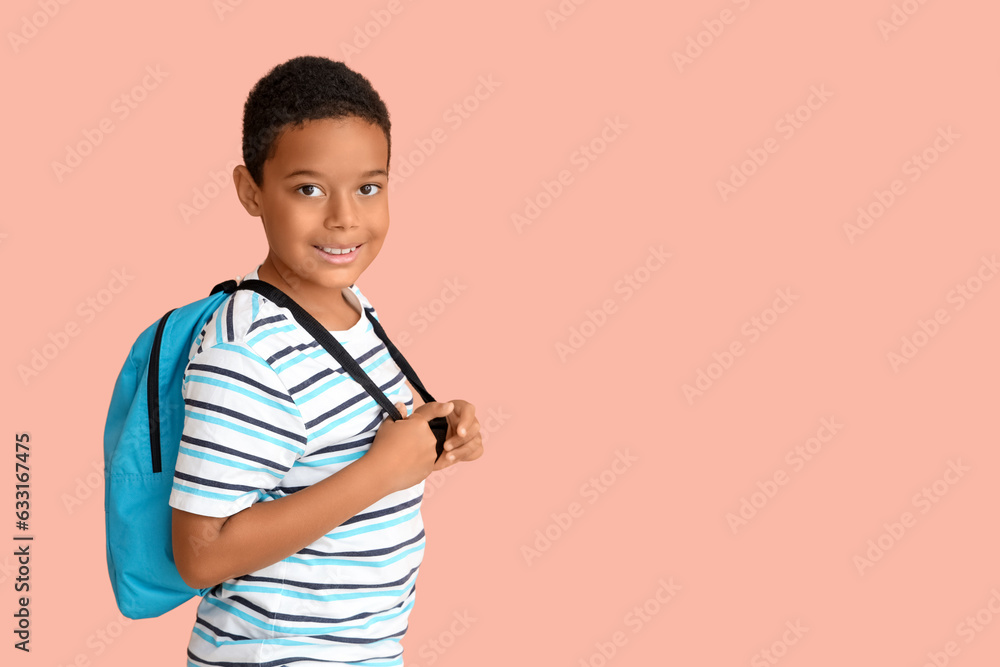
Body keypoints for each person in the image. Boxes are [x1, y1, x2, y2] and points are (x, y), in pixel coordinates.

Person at [168, 55, 484, 666]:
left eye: (369, 187)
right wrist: (380, 473)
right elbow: (199, 556)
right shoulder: (247, 351)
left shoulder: (350, 306)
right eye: (308, 189)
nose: (344, 217)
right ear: (251, 191)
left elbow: (343, 442)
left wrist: (436, 433)